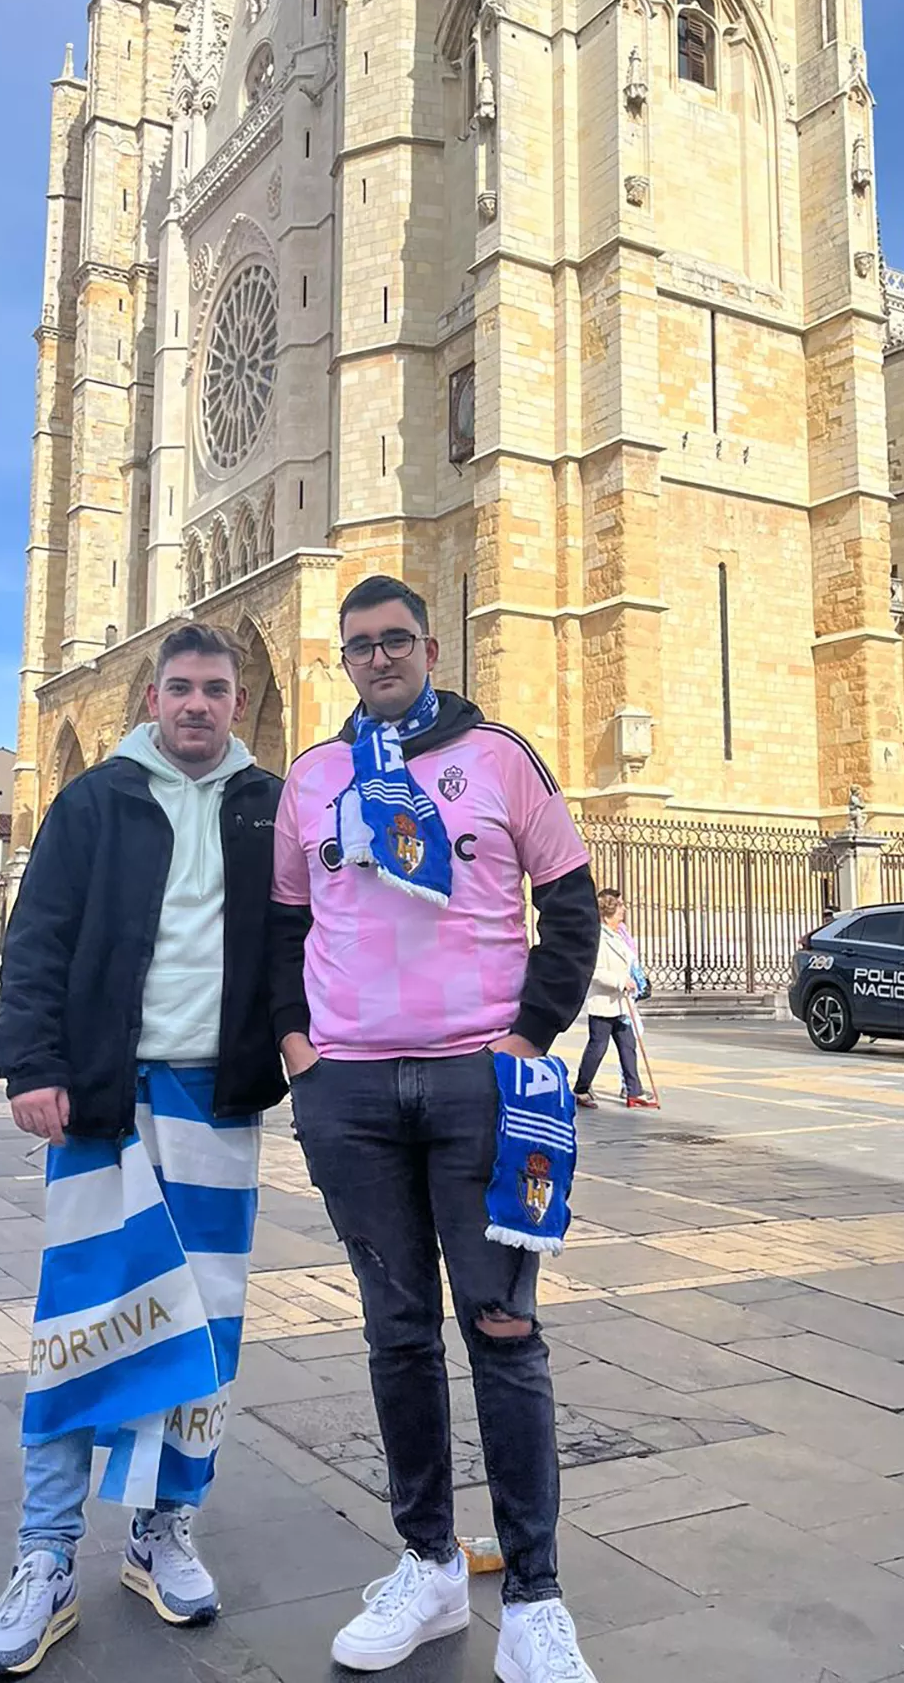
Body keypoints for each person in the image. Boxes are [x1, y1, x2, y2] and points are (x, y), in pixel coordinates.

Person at [272, 576, 601, 1683]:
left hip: (480, 1088)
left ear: (431, 646)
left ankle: (536, 1595)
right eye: (360, 645)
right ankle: (428, 1563)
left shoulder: (498, 756)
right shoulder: (314, 777)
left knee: (503, 1329)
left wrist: (530, 1033)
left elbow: (572, 903)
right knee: (398, 1332)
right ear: (343, 659)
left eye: (397, 639)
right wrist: (297, 1046)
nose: (380, 658)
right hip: (351, 1093)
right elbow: (281, 923)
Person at [0, 623, 286, 1679]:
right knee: (81, 1321)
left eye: (216, 689)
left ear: (237, 700)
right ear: (153, 698)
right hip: (108, 1101)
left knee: (205, 1323)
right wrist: (31, 1064)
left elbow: (306, 942)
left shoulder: (270, 805)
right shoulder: (95, 799)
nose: (199, 704)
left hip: (221, 1101)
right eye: (182, 687)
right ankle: (47, 1551)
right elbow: (39, 938)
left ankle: (164, 1531)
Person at [572, 890, 655, 1110]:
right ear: (610, 911)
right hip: (604, 1003)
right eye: (620, 906)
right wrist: (620, 981)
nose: (624, 909)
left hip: (621, 1003)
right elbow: (595, 971)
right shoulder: (599, 938)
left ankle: (634, 1091)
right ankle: (581, 1089)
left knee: (628, 1046)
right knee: (597, 1047)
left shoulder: (618, 935)